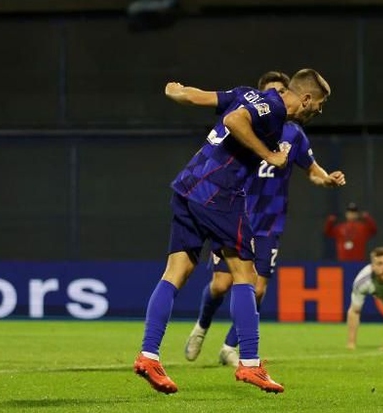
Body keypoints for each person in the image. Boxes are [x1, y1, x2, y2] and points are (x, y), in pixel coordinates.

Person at [132, 68, 330, 394]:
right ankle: (249, 364)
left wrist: (177, 91)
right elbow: (234, 121)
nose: (318, 111)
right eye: (319, 104)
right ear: (306, 98)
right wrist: (268, 154)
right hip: (219, 193)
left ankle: (148, 355)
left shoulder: (245, 92)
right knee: (245, 275)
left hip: (188, 185)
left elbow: (197, 96)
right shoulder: (274, 109)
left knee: (176, 271)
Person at [182, 71, 346, 367]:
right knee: (220, 285)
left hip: (268, 221)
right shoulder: (249, 121)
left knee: (256, 288)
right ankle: (202, 326)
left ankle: (231, 347)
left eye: (281, 91)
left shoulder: (293, 134)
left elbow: (312, 169)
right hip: (235, 210)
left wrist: (327, 179)